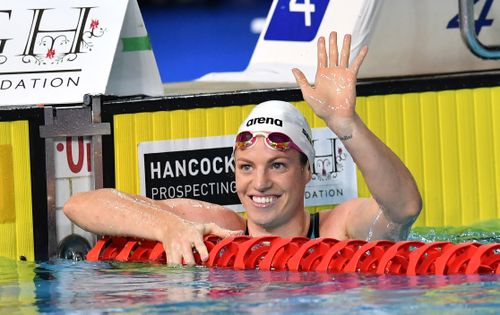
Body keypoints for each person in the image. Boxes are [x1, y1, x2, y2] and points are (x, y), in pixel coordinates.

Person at [64, 31, 422, 266]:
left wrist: (347, 125)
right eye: (247, 167)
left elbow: (403, 208)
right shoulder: (217, 226)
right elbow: (80, 205)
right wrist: (167, 227)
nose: (260, 183)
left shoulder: (337, 229)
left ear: (307, 170)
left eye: (278, 165)